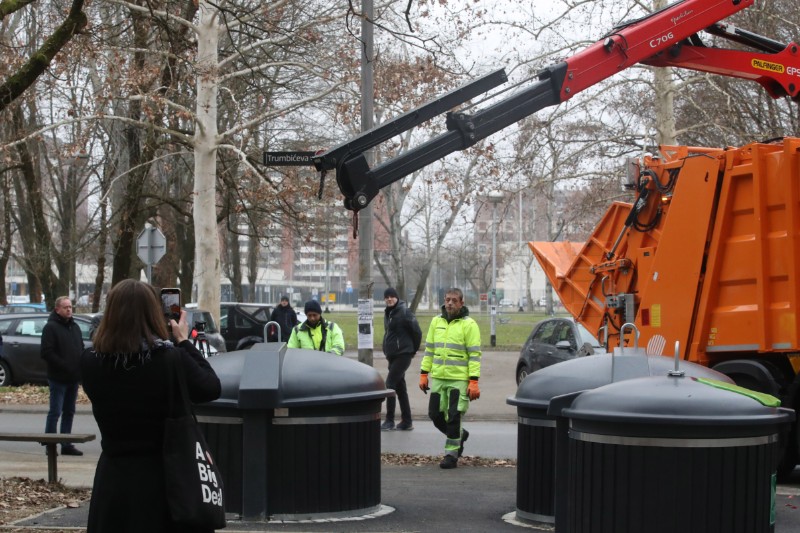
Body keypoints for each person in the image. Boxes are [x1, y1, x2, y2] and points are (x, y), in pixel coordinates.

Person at [80, 279, 221, 533]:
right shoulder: (169, 359)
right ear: (152, 313)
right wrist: (182, 340)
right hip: (165, 480)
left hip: (114, 480)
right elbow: (210, 387)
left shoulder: (90, 362)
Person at [419, 287, 482, 469]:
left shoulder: (469, 325)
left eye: (454, 300)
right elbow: (429, 350)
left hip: (459, 380)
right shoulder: (436, 322)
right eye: (447, 299)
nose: (450, 303)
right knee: (435, 415)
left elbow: (475, 355)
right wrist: (424, 374)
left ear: (462, 303)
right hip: (439, 377)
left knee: (454, 417)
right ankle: (460, 435)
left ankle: (451, 456)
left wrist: (473, 381)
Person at [40, 296, 85, 456]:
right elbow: (46, 352)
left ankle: (66, 443)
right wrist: (64, 365)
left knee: (69, 411)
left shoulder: (75, 327)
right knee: (55, 411)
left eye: (70, 307)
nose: (69, 310)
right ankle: (50, 443)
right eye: (65, 307)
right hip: (58, 377)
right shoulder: (51, 328)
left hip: (73, 378)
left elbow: (80, 347)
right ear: (57, 309)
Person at [381, 287, 422, 431]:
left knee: (390, 384)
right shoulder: (388, 313)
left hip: (403, 354)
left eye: (392, 296)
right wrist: (385, 348)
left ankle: (389, 420)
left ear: (397, 298)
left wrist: (413, 350)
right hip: (392, 356)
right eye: (387, 297)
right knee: (400, 388)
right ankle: (407, 421)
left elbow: (417, 332)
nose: (389, 299)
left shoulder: (404, 312)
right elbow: (388, 333)